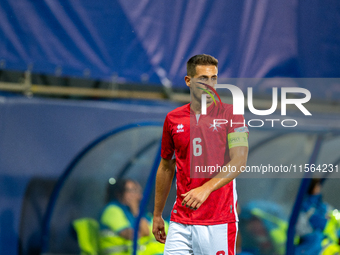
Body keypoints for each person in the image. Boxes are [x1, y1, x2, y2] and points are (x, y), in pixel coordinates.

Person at [152, 54, 249, 255]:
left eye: (214, 78)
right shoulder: (173, 119)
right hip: (181, 219)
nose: (210, 84)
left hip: (218, 219)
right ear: (188, 81)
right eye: (203, 79)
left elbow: (239, 160)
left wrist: (206, 188)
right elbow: (165, 166)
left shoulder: (232, 114)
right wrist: (157, 214)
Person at [99, 178, 165, 255]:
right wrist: (135, 209)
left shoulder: (133, 211)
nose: (138, 196)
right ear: (119, 194)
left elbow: (149, 231)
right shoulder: (112, 210)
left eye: (138, 191)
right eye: (132, 190)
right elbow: (134, 234)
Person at [295, 178, 340, 255]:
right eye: (317, 186)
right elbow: (323, 224)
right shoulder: (308, 207)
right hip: (319, 247)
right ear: (313, 188)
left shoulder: (321, 205)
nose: (319, 188)